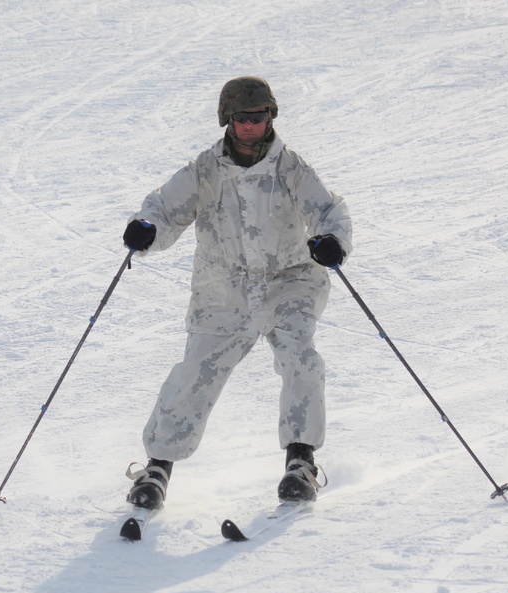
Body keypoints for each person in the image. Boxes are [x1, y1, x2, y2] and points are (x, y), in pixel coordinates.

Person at [121, 75, 353, 510]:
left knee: (300, 356)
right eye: (242, 118)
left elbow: (328, 210)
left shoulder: (290, 169)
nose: (251, 125)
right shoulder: (206, 170)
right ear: (227, 119)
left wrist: (330, 241)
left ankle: (300, 463)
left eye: (259, 116)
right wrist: (146, 230)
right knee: (195, 372)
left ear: (271, 117)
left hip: (289, 282)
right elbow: (164, 208)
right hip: (223, 288)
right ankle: (157, 470)